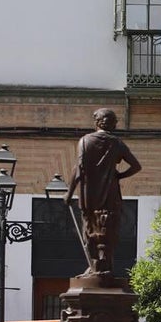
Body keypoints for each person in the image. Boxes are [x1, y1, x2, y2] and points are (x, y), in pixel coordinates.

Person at [64, 108, 142, 276]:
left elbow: (78, 169)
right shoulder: (117, 143)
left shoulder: (85, 141)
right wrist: (119, 176)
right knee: (109, 229)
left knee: (90, 228)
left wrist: (69, 194)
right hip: (110, 195)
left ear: (96, 123)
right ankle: (104, 266)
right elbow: (136, 166)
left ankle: (94, 266)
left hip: (89, 196)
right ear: (112, 124)